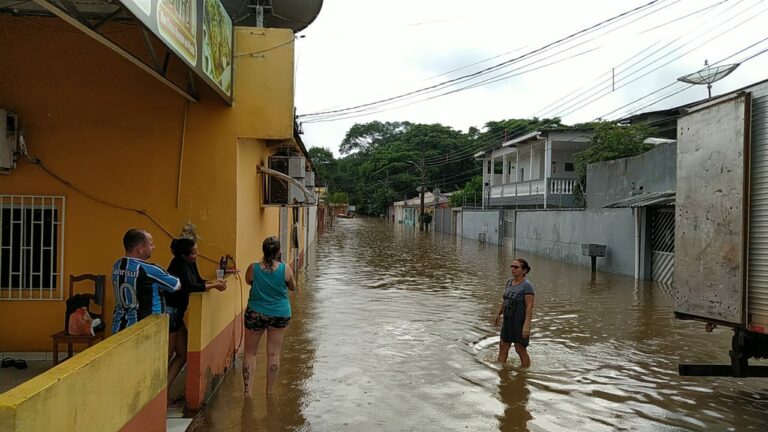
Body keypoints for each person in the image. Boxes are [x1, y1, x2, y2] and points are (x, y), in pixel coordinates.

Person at [165, 238, 227, 388]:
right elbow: (190, 287)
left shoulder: (190, 263)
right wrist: (213, 286)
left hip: (178, 313)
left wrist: (214, 283)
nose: (197, 254)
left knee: (183, 355)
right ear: (184, 255)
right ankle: (156, 398)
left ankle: (164, 393)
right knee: (166, 355)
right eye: (193, 253)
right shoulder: (178, 263)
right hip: (171, 312)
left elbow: (199, 281)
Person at [242, 236, 297, 397]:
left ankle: (248, 393)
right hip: (280, 314)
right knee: (273, 354)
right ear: (278, 251)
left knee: (250, 353)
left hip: (256, 313)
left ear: (263, 250)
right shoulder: (285, 268)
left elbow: (248, 281)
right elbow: (293, 287)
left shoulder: (253, 268)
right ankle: (270, 392)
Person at [111, 229, 181, 333]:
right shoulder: (149, 270)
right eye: (151, 244)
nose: (153, 247)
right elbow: (176, 285)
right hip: (144, 330)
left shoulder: (117, 265)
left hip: (119, 326)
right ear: (140, 248)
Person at [494, 258, 535, 367]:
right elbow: (505, 300)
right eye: (512, 266)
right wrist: (499, 313)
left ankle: (525, 373)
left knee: (519, 348)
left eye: (516, 267)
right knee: (503, 345)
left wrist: (526, 325)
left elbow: (529, 306)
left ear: (524, 271)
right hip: (508, 321)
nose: (513, 269)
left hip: (519, 322)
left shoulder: (527, 286)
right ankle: (500, 371)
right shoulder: (509, 282)